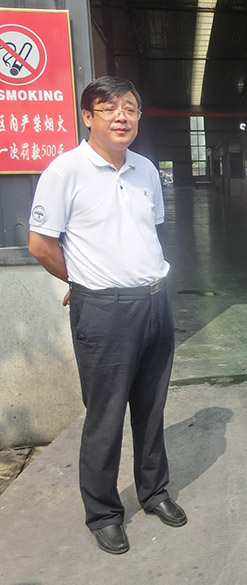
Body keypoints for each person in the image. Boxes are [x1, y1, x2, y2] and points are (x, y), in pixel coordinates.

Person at [27, 76, 186, 555]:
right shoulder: (64, 171)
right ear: (87, 116)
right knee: (106, 415)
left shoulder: (145, 169)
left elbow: (148, 231)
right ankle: (103, 512)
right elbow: (41, 244)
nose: (122, 117)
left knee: (151, 408)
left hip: (154, 302)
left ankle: (154, 492)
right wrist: (81, 282)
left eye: (131, 109)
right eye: (110, 108)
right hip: (104, 311)